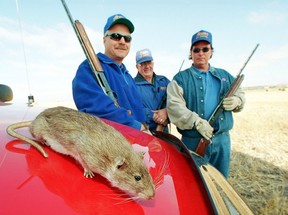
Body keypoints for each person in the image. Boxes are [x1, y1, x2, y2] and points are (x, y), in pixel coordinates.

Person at [166, 30, 245, 178]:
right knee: (194, 183)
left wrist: (237, 101)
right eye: (196, 49)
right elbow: (174, 107)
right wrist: (196, 122)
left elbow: (240, 93)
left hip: (222, 140)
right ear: (191, 52)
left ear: (211, 52)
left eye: (205, 49)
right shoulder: (180, 79)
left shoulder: (225, 76)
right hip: (193, 141)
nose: (200, 53)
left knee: (221, 182)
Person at [72, 14, 147, 131]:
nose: (122, 41)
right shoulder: (88, 68)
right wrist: (137, 126)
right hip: (110, 145)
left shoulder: (128, 76)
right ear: (104, 40)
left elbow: (138, 110)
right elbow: (96, 109)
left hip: (138, 142)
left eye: (127, 38)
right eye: (116, 36)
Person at [134, 49, 170, 132]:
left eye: (149, 62)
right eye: (142, 64)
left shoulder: (164, 81)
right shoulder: (132, 85)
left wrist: (166, 111)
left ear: (153, 63)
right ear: (137, 66)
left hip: (164, 131)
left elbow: (176, 100)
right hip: (144, 131)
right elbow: (132, 107)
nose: (147, 66)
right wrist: (152, 115)